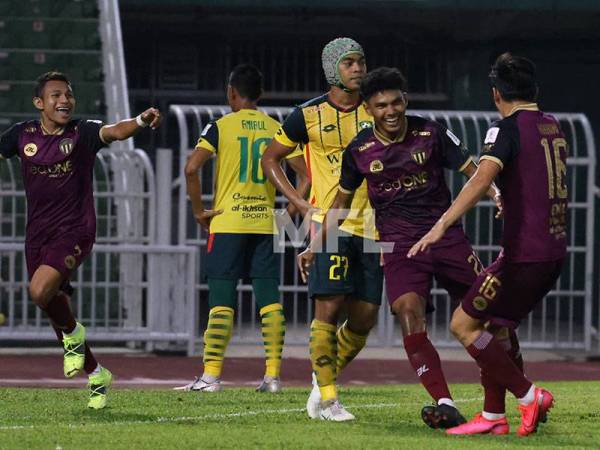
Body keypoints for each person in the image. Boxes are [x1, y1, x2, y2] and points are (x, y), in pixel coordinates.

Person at [298, 66, 503, 429]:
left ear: (405, 100)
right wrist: (314, 244)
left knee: (488, 315)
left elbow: (473, 170)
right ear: (369, 109)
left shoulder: (431, 132)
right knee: (408, 311)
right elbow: (341, 204)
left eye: (396, 103)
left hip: (447, 237)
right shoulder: (359, 150)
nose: (390, 111)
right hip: (400, 246)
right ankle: (444, 402)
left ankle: (516, 391)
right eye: (381, 106)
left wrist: (496, 193)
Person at [408, 53, 564, 436]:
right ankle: (493, 415)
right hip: (552, 251)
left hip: (522, 256)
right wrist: (509, 198)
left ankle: (529, 397)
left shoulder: (504, 130)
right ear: (535, 90)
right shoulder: (553, 126)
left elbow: (480, 178)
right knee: (494, 326)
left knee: (463, 325)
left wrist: (441, 225)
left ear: (496, 94)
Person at [0, 71, 162, 409]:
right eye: (56, 95)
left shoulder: (82, 132)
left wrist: (141, 121)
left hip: (76, 229)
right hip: (37, 234)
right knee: (52, 305)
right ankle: (97, 373)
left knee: (39, 291)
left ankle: (75, 337)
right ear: (39, 103)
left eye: (68, 95)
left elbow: (115, 131)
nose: (64, 101)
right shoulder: (21, 135)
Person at [262, 38, 383, 421]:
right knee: (328, 309)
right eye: (349, 63)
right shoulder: (307, 115)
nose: (358, 69)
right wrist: (298, 203)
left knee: (366, 317)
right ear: (333, 69)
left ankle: (321, 378)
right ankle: (329, 399)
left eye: (361, 61)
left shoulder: (376, 109)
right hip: (329, 222)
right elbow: (271, 158)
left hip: (378, 226)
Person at [176, 64, 308, 393]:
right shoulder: (276, 127)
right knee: (270, 301)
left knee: (221, 300)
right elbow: (306, 176)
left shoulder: (220, 126)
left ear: (232, 92)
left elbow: (192, 168)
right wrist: (287, 214)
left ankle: (211, 377)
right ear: (260, 95)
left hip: (227, 221)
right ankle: (273, 377)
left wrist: (198, 211)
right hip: (265, 224)